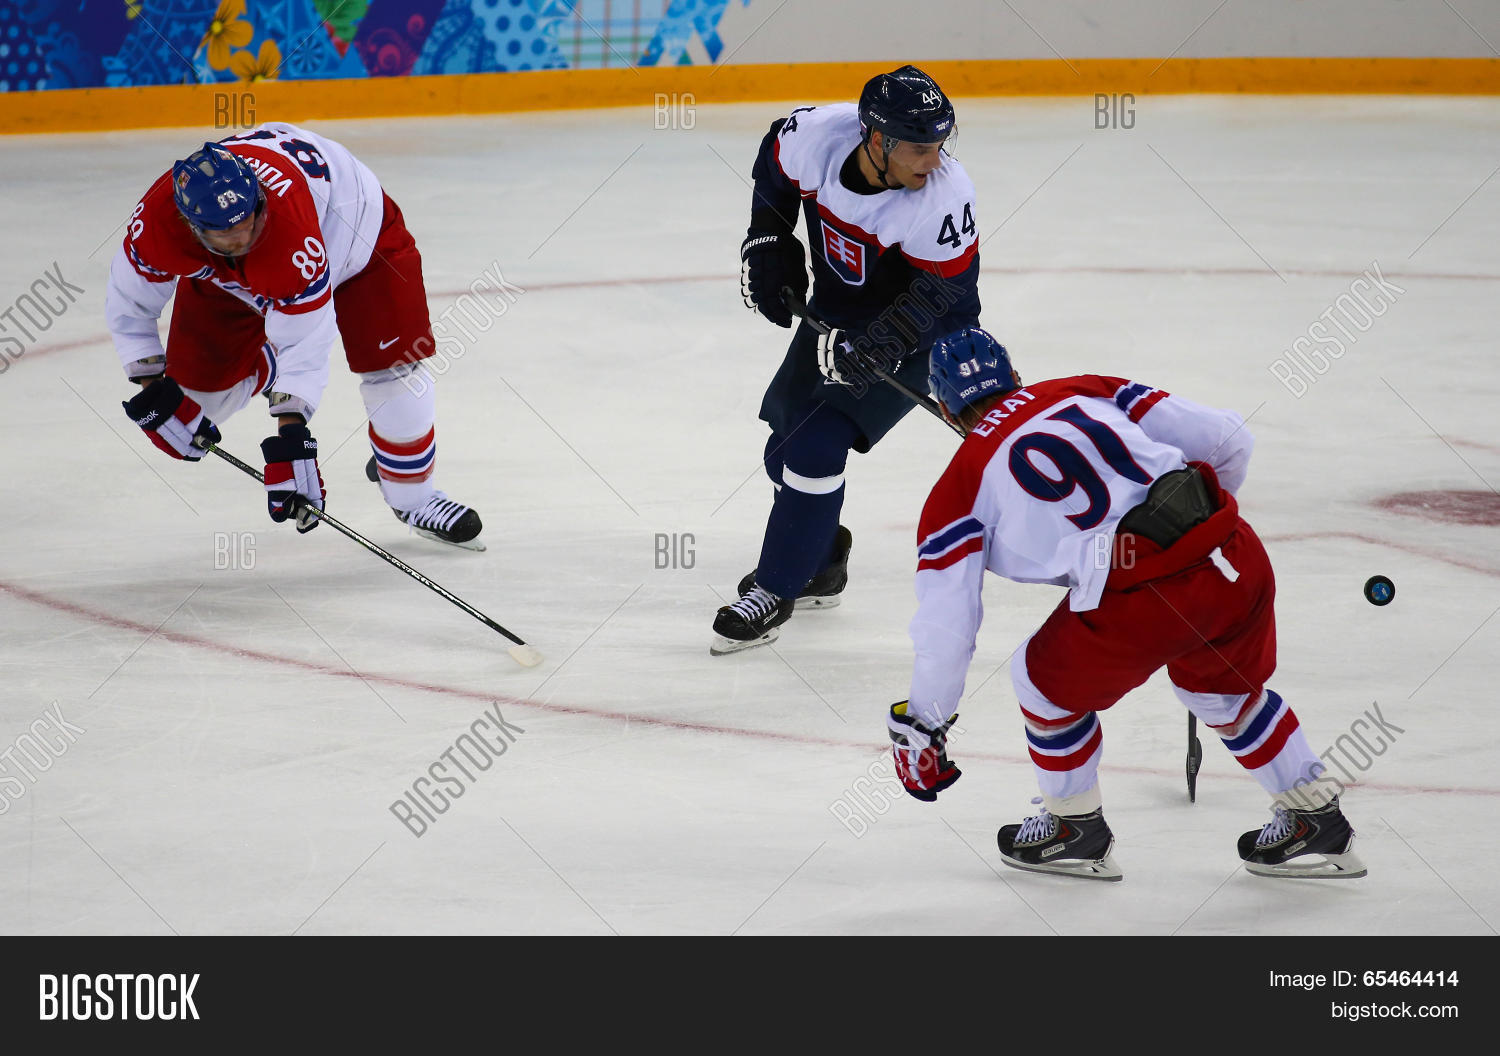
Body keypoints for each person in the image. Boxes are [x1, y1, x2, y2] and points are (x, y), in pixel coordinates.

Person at [885, 327, 1367, 881]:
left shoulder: (956, 491)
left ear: (946, 410)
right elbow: (1231, 440)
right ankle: (1315, 818)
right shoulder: (1084, 387)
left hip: (1142, 594)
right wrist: (1191, 528)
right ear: (1015, 376)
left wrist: (924, 724)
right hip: (1235, 555)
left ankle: (1073, 828)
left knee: (1040, 684)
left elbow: (949, 628)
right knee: (1225, 693)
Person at [106, 123, 483, 548]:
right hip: (251, 272)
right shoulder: (157, 226)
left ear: (258, 199)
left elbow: (307, 343)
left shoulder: (289, 237)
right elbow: (130, 304)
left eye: (247, 221)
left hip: (359, 237)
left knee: (397, 374)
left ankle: (414, 496)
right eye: (225, 233)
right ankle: (267, 365)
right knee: (193, 407)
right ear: (189, 225)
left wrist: (292, 434)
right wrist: (151, 385)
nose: (242, 238)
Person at [713, 64, 982, 654]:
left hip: (920, 333)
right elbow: (775, 164)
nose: (932, 160)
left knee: (817, 444)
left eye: (939, 145)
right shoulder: (817, 136)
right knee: (784, 444)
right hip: (836, 317)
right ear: (876, 139)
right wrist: (769, 236)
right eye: (918, 147)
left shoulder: (943, 197)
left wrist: (882, 342)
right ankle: (819, 559)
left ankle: (774, 590)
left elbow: (950, 297)